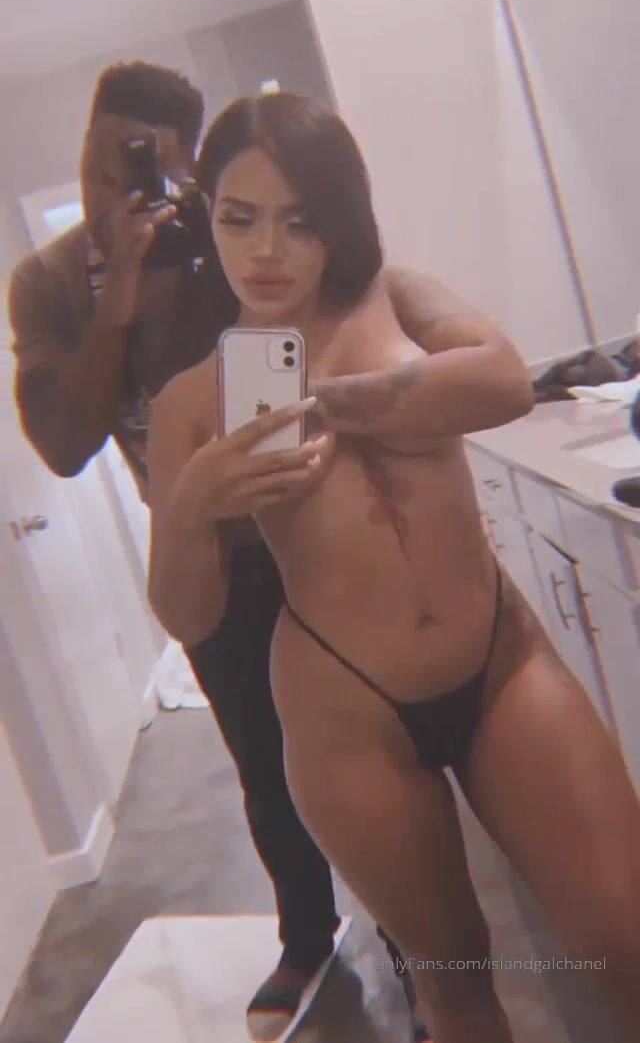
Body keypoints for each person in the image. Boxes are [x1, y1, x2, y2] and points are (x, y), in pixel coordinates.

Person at [147, 90, 640, 1043]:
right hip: (346, 712)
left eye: (299, 221)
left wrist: (348, 398)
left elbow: (503, 381)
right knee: (454, 981)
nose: (267, 250)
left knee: (626, 936)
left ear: (338, 219)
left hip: (498, 660)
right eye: (240, 218)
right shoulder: (192, 401)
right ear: (209, 217)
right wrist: (194, 504)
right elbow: (189, 615)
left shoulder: (398, 296)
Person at [7, 63, 429, 1042]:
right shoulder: (47, 283)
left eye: (151, 170)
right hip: (208, 556)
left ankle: (415, 932)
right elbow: (63, 443)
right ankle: (306, 933)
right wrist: (117, 303)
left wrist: (210, 239)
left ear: (190, 167)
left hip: (310, 528)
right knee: (263, 762)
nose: (119, 191)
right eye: (102, 167)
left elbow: (316, 337)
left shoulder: (229, 241)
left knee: (367, 744)